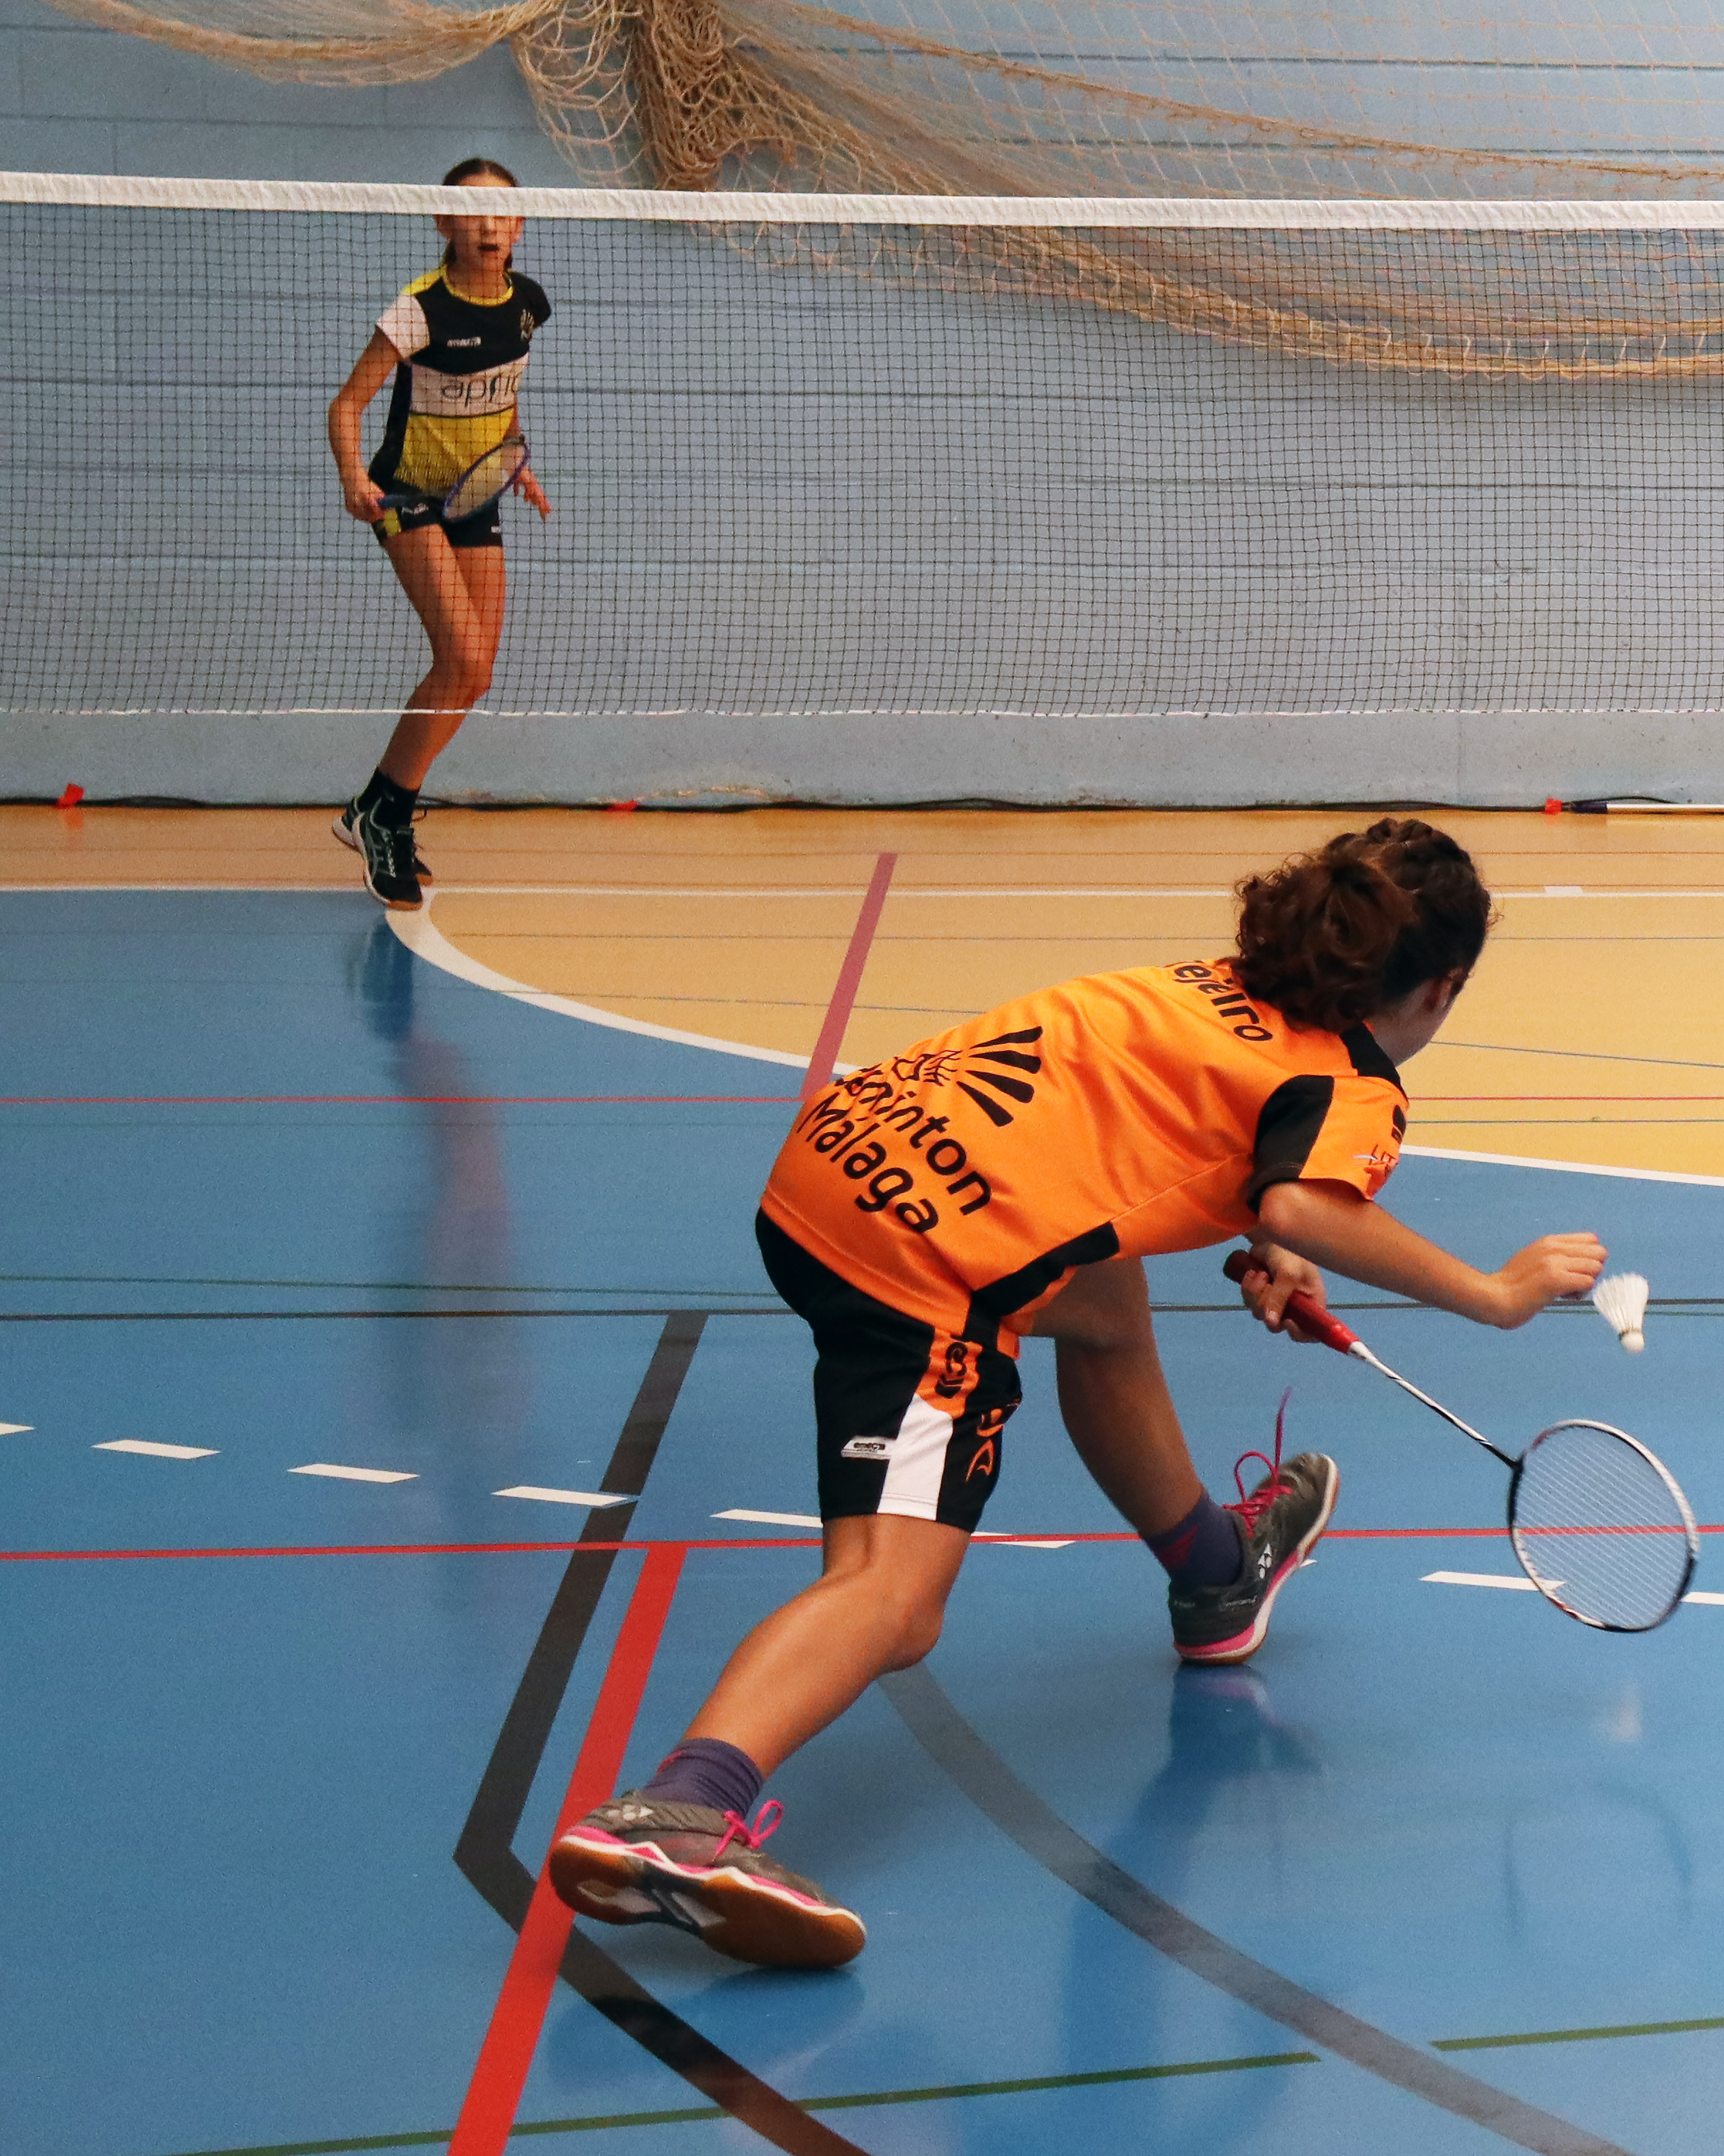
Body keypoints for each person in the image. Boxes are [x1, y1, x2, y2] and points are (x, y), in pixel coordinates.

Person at [546, 819, 1611, 1969]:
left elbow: (1178, 1144)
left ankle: (1216, 1575)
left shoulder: (1203, 986)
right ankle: (681, 1808)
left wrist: (1268, 1227)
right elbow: (1307, 1201)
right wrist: (1493, 1292)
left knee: (1105, 1305)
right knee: (893, 1601)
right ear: (1441, 985)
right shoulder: (1353, 1082)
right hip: (927, 1262)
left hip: (834, 1164)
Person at [326, 158, 553, 909]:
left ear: (518, 227)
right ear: (444, 224)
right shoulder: (418, 310)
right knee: (456, 652)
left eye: (502, 213)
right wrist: (355, 479)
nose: (488, 225)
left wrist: (516, 460)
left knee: (477, 672)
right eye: (471, 212)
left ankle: (375, 805)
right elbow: (345, 408)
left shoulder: (529, 307)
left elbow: (504, 393)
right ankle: (387, 816)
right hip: (405, 493)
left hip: (473, 496)